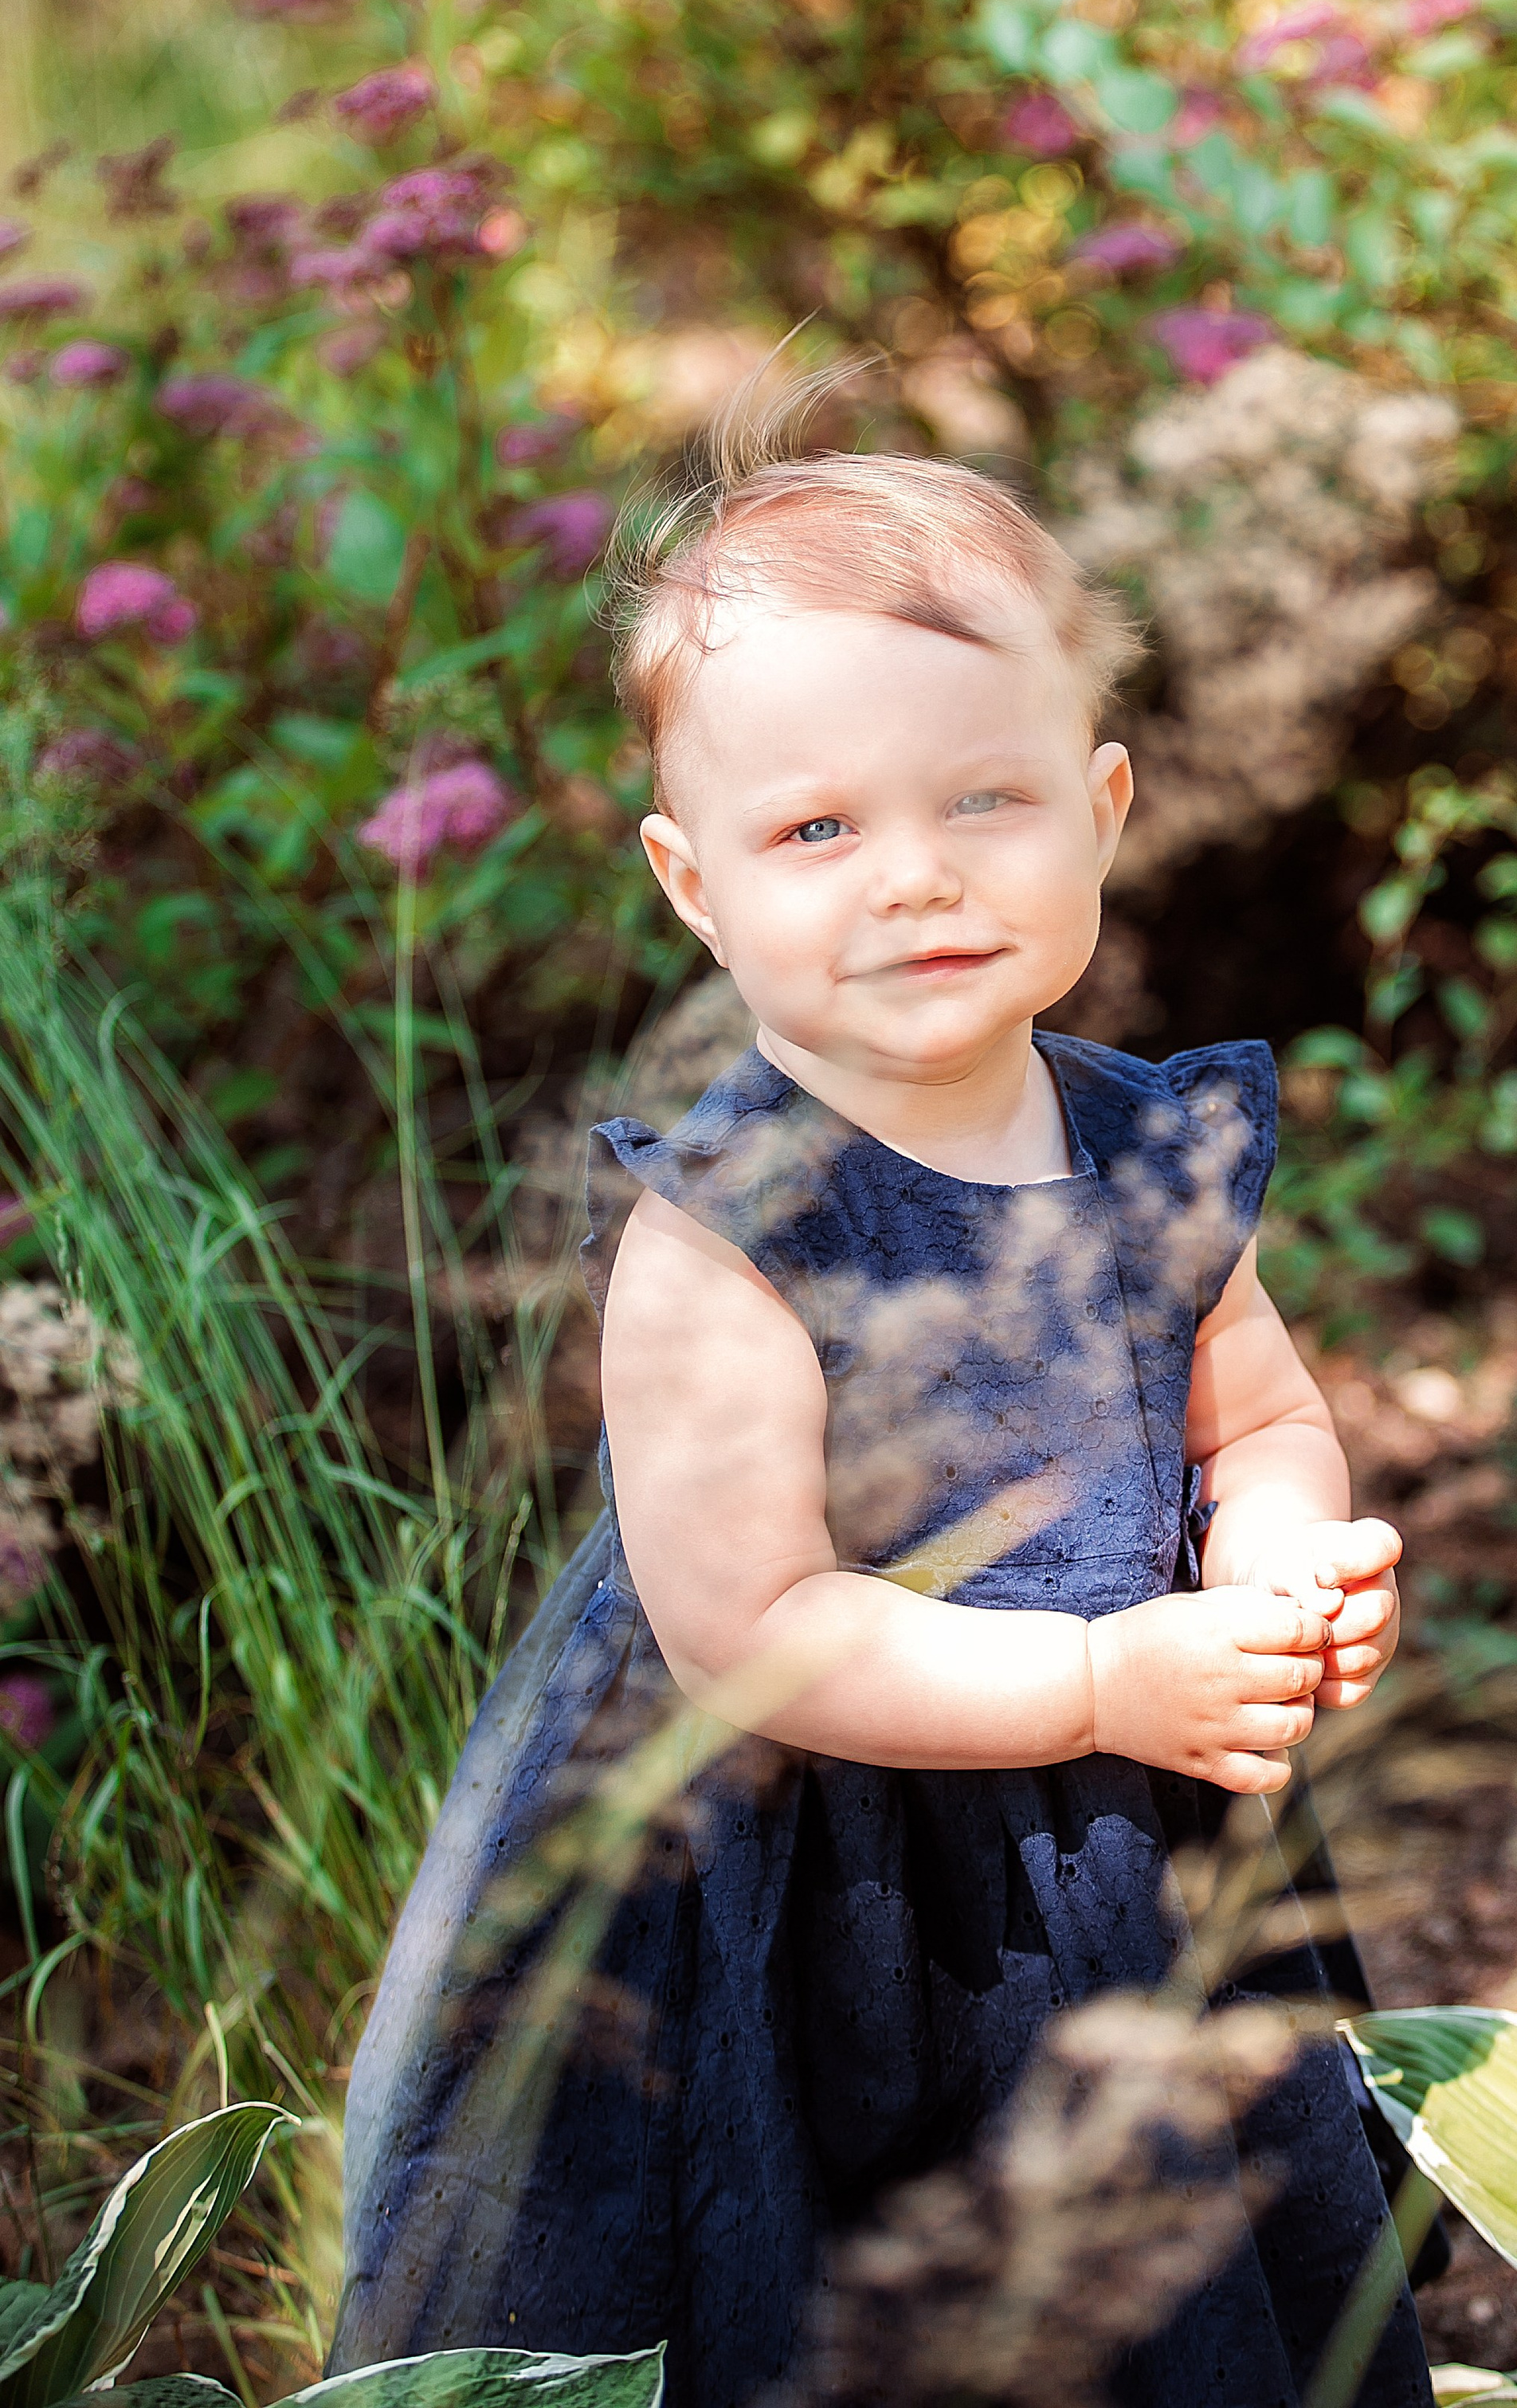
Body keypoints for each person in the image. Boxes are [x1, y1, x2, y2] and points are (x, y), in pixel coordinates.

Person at [328, 396, 1433, 2408]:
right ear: (693, 884)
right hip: (802, 1907)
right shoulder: (725, 1234)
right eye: (818, 831)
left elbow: (1252, 1419)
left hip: (1117, 1846)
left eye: (982, 801)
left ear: (1102, 806)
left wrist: (1279, 1572)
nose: (914, 878)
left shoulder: (1148, 1152)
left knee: (1174, 2290)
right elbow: (753, 1633)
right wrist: (1096, 1684)